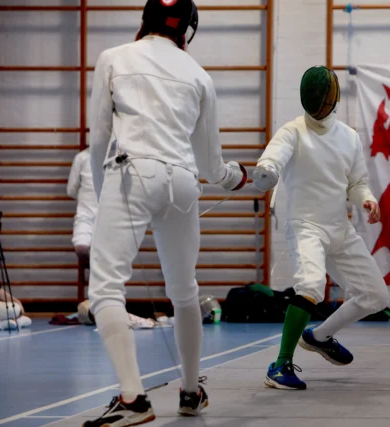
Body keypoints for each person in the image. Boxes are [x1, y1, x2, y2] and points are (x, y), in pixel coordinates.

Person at [84, 1, 247, 425]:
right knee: (184, 290)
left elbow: (99, 139)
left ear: (145, 20)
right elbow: (213, 166)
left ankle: (134, 400)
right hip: (183, 183)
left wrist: (104, 198)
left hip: (130, 174)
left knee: (104, 290)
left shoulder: (113, 58)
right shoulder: (199, 75)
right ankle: (191, 392)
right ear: (188, 31)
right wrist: (239, 178)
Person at [252, 65, 390, 390]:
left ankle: (319, 336)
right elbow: (272, 159)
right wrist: (266, 171)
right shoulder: (292, 131)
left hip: (339, 230)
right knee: (311, 286)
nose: (321, 103)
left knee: (375, 296)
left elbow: (356, 182)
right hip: (306, 227)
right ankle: (280, 364)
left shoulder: (349, 137)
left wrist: (366, 199)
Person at [67, 147, 98, 265]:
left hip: (109, 215)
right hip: (87, 213)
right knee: (81, 248)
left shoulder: (116, 157)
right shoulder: (82, 157)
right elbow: (71, 190)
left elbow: (71, 190)